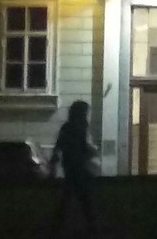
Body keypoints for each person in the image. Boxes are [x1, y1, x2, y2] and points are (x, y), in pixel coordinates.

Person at [49, 99, 98, 238]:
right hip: (80, 168)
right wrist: (92, 151)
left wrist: (54, 164)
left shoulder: (67, 127)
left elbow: (59, 147)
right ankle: (92, 228)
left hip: (69, 167)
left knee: (67, 199)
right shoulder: (82, 126)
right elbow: (84, 147)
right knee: (85, 200)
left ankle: (57, 227)